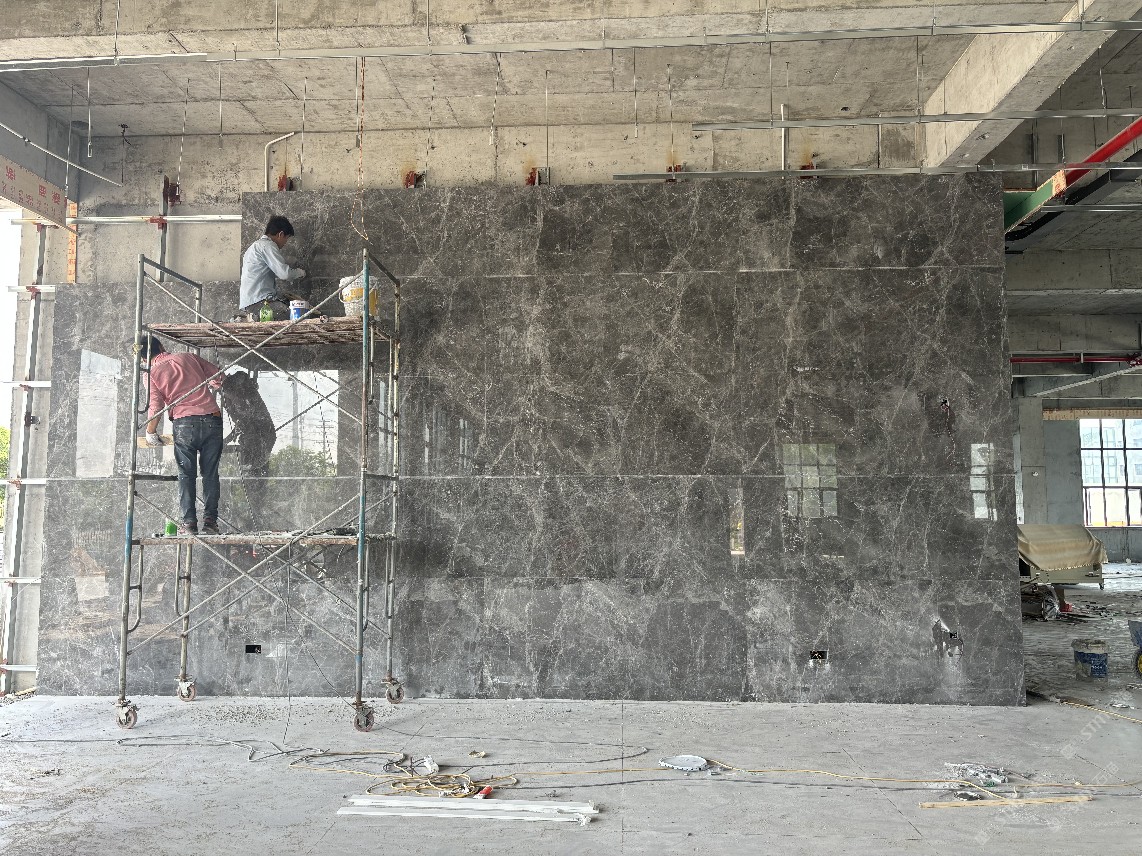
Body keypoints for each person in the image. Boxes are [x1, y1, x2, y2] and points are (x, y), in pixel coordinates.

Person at [139, 335, 225, 536]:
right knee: (210, 473)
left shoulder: (151, 373)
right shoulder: (188, 357)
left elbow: (156, 406)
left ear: (143, 359)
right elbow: (219, 377)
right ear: (161, 346)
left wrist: (150, 432)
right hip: (212, 419)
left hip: (185, 424)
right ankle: (210, 522)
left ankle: (189, 523)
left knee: (187, 474)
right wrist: (212, 384)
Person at [239, 215, 307, 320]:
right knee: (298, 317)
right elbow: (285, 274)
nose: (285, 243)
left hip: (251, 303)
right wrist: (300, 273)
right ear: (281, 234)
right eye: (286, 238)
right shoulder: (268, 246)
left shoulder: (255, 246)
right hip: (259, 303)